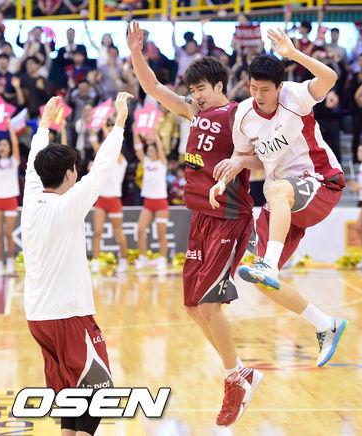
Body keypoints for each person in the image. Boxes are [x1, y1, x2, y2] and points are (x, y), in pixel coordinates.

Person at [128, 20, 262, 426]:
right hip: (201, 217)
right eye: (192, 89)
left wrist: (241, 161)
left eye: (202, 88)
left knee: (207, 304)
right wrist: (136, 53)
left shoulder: (239, 114)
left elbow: (264, 162)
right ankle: (240, 372)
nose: (196, 95)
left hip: (230, 216)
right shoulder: (192, 111)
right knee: (192, 307)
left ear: (220, 86)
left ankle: (235, 377)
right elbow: (154, 88)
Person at [210, 29, 349, 368]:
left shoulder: (296, 96)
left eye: (265, 90)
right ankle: (326, 324)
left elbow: (329, 78)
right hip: (283, 200)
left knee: (275, 193)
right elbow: (255, 160)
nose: (258, 95)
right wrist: (231, 170)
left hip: (321, 183)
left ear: (279, 87)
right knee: (262, 282)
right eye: (253, 88)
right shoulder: (244, 116)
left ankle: (269, 263)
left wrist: (294, 53)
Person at [22, 93, 131, 436]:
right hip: (67, 315)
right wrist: (120, 122)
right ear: (70, 174)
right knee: (100, 394)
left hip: (37, 317)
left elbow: (32, 160)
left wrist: (43, 125)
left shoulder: (30, 199)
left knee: (71, 396)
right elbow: (101, 169)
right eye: (75, 171)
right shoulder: (68, 205)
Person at [89, 123, 129, 274]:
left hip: (114, 201)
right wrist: (93, 124)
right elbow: (94, 143)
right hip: (101, 200)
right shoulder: (104, 159)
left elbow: (113, 145)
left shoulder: (121, 160)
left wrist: (106, 128)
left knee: (118, 232)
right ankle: (95, 261)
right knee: (97, 231)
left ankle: (123, 260)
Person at [132, 128, 169, 271]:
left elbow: (160, 148)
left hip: (161, 203)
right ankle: (143, 258)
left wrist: (155, 134)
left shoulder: (162, 163)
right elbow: (137, 148)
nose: (149, 152)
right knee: (140, 231)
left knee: (161, 233)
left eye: (151, 151)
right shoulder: (146, 162)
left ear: (157, 152)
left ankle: (163, 259)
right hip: (148, 202)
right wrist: (135, 131)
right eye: (148, 151)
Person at [0, 120, 19, 276]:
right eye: (0, 145)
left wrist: (10, 128)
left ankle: (10, 263)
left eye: (5, 144)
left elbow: (15, 144)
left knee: (9, 234)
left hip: (10, 200)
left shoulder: (13, 161)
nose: (2, 147)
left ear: (9, 148)